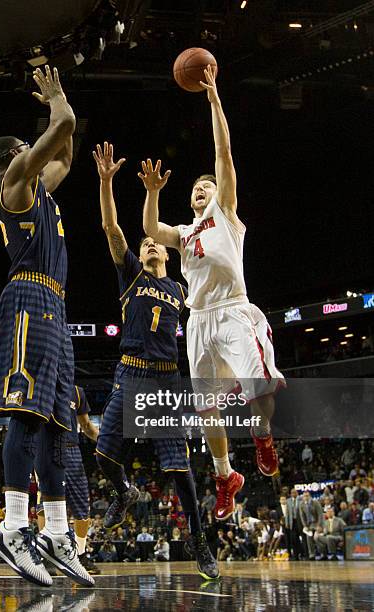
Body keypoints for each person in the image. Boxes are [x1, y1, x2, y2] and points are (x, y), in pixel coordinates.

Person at [141, 64, 284, 522]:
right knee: (207, 411)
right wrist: (152, 191)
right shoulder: (184, 232)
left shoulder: (225, 212)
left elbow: (223, 151)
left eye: (206, 186)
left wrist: (214, 98)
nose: (201, 190)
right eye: (196, 189)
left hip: (232, 311)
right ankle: (225, 477)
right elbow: (149, 228)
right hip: (198, 321)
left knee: (257, 385)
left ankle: (262, 435)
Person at [0, 65, 92, 588]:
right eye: (30, 146)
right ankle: (11, 526)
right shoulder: (15, 186)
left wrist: (62, 108)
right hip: (28, 297)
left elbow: (67, 150)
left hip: (56, 306)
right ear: (15, 156)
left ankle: (55, 531)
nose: (39, 150)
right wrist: (57, 99)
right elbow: (64, 126)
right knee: (27, 413)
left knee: (58, 425)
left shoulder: (43, 190)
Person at [92, 141, 218, 580]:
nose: (148, 245)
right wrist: (107, 183)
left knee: (180, 471)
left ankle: (200, 540)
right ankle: (123, 491)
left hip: (165, 380)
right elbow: (112, 228)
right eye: (145, 242)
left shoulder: (183, 291)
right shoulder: (130, 274)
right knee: (104, 456)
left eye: (154, 244)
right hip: (129, 374)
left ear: (167, 254)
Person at [37, 385, 101, 574]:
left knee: (82, 505)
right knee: (44, 504)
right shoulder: (42, 386)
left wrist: (106, 444)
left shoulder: (77, 392)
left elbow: (87, 426)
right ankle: (46, 555)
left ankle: (80, 555)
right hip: (45, 447)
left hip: (72, 449)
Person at [299, 491, 323, 560]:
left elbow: (320, 514)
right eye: (304, 496)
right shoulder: (302, 504)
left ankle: (322, 553)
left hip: (317, 522)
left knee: (317, 538)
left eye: (307, 496)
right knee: (309, 538)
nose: (306, 497)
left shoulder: (315, 503)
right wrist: (305, 526)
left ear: (310, 496)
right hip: (309, 524)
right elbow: (302, 516)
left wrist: (319, 525)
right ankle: (312, 554)